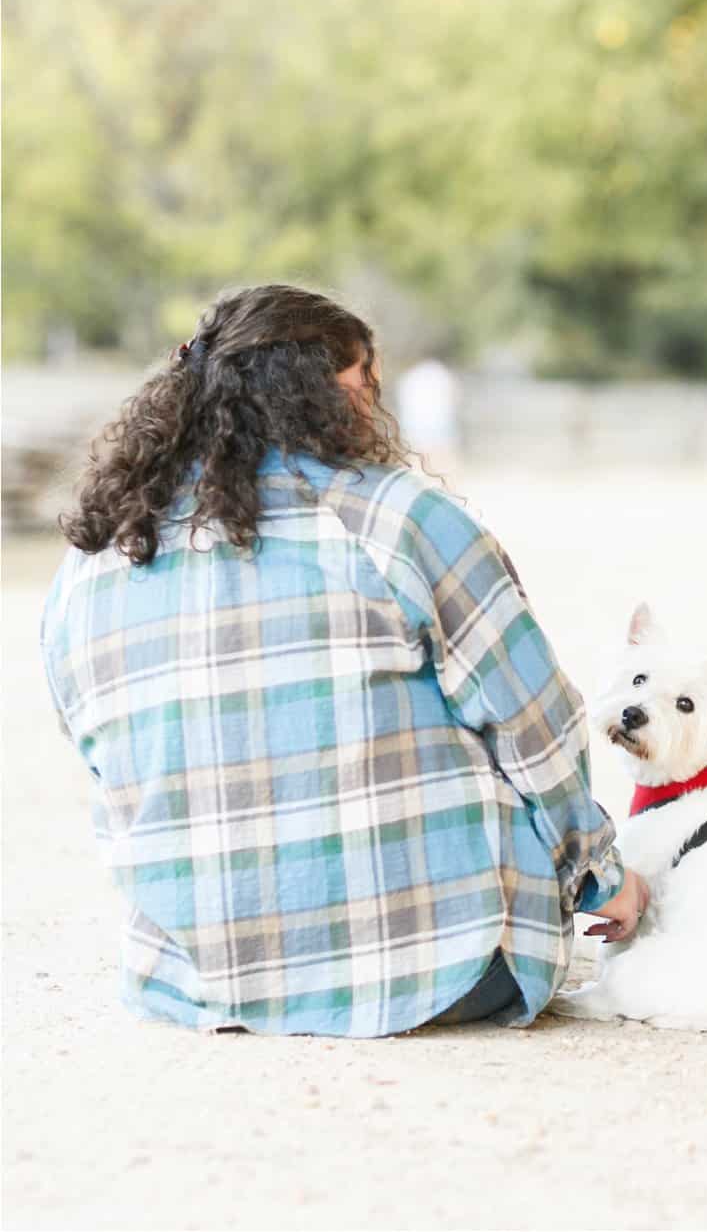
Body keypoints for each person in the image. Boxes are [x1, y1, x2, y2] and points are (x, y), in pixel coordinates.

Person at [39, 284, 647, 1037]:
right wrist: (601, 876)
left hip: (196, 979)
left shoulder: (94, 560)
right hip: (437, 973)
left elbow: (99, 751)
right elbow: (536, 722)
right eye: (368, 385)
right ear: (323, 391)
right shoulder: (397, 516)